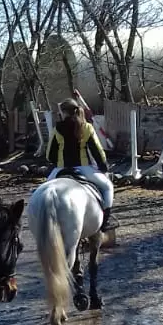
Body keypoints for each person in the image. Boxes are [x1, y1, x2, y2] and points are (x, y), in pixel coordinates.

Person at [46, 97, 114, 230]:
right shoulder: (86, 127)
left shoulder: (57, 129)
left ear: (63, 112)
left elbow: (50, 155)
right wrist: (103, 167)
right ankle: (105, 221)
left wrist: (56, 164)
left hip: (61, 169)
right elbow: (97, 151)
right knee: (108, 187)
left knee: (41, 193)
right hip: (84, 168)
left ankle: (45, 223)